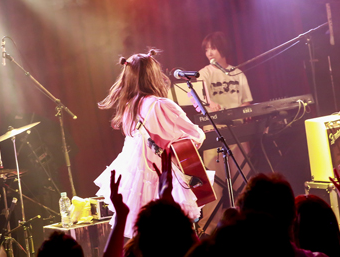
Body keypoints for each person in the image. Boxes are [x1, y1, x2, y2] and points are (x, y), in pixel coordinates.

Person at [94, 49, 205, 238]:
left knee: (147, 235)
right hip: (161, 177)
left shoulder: (129, 107)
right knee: (173, 234)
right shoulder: (161, 104)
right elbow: (195, 136)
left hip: (136, 179)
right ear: (154, 75)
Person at [197, 32, 254, 236]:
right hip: (214, 133)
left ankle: (246, 225)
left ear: (223, 48)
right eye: (206, 49)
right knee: (213, 184)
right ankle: (209, 231)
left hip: (237, 134)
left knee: (243, 182)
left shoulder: (238, 74)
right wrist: (209, 104)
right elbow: (196, 101)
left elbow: (247, 102)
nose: (209, 52)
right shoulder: (203, 74)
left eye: (213, 48)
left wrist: (244, 112)